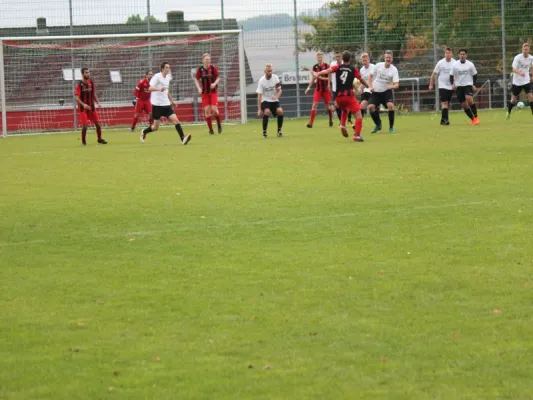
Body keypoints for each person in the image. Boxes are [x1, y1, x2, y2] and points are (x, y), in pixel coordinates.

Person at [313, 51, 368, 142]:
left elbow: (327, 71)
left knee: (344, 109)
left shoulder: (337, 67)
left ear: (342, 59)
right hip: (349, 96)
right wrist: (367, 86)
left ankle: (342, 124)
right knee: (358, 115)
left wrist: (317, 74)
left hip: (338, 96)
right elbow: (361, 79)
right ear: (350, 59)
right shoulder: (353, 69)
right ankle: (357, 135)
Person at [141, 62, 192, 145]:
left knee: (176, 120)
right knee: (155, 127)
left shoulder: (168, 78)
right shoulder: (157, 77)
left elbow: (167, 91)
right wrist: (158, 89)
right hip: (157, 105)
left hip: (166, 105)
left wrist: (172, 101)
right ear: (162, 69)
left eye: (169, 67)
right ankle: (144, 132)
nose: (168, 69)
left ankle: (183, 139)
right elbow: (149, 88)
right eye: (167, 68)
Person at [368, 50, 400, 134]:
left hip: (386, 92)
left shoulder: (394, 70)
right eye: (386, 57)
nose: (388, 59)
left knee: (390, 105)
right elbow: (370, 76)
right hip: (376, 91)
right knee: (371, 107)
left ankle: (391, 127)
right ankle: (378, 124)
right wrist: (370, 86)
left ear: (392, 59)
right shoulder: (378, 66)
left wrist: (391, 86)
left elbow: (397, 84)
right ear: (384, 58)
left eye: (389, 58)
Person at [74, 67, 107, 146]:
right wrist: (83, 104)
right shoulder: (79, 85)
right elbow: (76, 97)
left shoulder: (91, 82)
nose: (88, 74)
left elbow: (94, 94)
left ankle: (99, 139)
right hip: (83, 109)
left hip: (91, 108)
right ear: (82, 74)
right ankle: (83, 141)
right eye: (86, 73)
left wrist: (98, 103)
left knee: (98, 124)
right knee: (85, 126)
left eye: (88, 72)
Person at [450, 49, 479, 125]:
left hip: (468, 85)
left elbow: (475, 75)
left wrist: (474, 84)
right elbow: (451, 75)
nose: (462, 56)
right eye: (461, 54)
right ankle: (472, 119)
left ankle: (476, 116)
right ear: (459, 55)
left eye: (463, 54)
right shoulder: (455, 65)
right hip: (459, 86)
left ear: (466, 55)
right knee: (464, 105)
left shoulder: (470, 64)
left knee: (469, 99)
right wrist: (452, 84)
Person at [305, 51, 334, 128]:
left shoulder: (327, 66)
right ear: (317, 58)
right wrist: (308, 88)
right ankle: (310, 123)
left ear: (322, 57)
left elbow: (329, 78)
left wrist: (326, 83)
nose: (319, 58)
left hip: (326, 90)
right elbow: (313, 78)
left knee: (328, 106)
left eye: (321, 56)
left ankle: (331, 119)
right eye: (318, 57)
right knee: (314, 105)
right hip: (318, 89)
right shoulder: (315, 67)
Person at [195, 53, 222, 134]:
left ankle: (219, 125)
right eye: (206, 59)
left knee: (214, 110)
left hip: (213, 92)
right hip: (205, 93)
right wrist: (199, 88)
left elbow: (218, 78)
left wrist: (214, 84)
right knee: (207, 111)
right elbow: (196, 79)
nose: (208, 61)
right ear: (203, 60)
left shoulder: (213, 68)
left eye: (209, 59)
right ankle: (211, 130)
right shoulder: (200, 70)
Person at [256, 63, 284, 138]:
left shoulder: (275, 78)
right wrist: (259, 109)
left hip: (274, 100)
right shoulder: (261, 80)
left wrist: (276, 96)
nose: (270, 72)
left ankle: (279, 131)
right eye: (268, 71)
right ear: (265, 71)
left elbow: (279, 90)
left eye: (271, 71)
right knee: (267, 112)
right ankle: (264, 132)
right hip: (265, 100)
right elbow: (259, 95)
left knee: (280, 111)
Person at [506, 43, 533, 120]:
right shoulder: (517, 58)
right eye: (524, 49)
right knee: (513, 99)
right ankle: (508, 112)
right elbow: (513, 69)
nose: (525, 51)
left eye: (526, 49)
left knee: (531, 96)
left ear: (529, 50)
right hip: (517, 81)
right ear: (522, 50)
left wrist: (532, 76)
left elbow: (531, 67)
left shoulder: (531, 58)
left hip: (526, 80)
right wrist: (520, 73)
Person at [429, 47, 455, 125]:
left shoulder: (455, 63)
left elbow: (457, 74)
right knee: (445, 102)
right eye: (446, 53)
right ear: (444, 54)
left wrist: (455, 84)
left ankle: (442, 120)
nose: (448, 54)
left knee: (447, 103)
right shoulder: (440, 63)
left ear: (452, 54)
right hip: (442, 85)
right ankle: (446, 120)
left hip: (451, 86)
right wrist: (431, 84)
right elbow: (433, 74)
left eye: (449, 53)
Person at [358, 53, 376, 118]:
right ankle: (360, 122)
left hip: (374, 90)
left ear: (369, 60)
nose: (365, 62)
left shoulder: (374, 67)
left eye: (366, 60)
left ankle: (377, 122)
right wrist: (360, 88)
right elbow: (363, 82)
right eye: (363, 61)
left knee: (371, 107)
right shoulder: (361, 70)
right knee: (361, 106)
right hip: (366, 91)